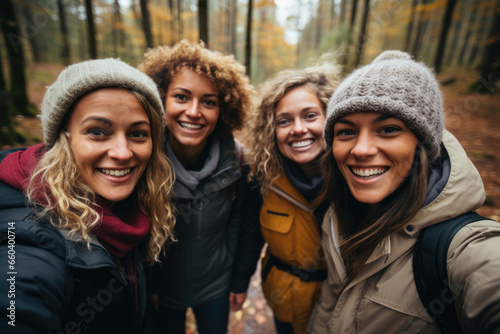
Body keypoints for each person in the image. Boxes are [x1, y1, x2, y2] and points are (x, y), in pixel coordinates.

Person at [308, 50, 500, 333]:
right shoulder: (336, 216)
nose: (361, 150)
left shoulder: (461, 251)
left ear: (422, 145)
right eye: (346, 132)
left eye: (387, 129)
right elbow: (330, 303)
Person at [0, 58, 176, 334]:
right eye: (97, 132)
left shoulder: (135, 203)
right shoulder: (26, 235)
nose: (122, 152)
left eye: (138, 133)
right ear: (64, 138)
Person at [139, 40, 254, 334]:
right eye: (181, 97)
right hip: (162, 293)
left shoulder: (238, 161)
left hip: (216, 288)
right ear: (161, 98)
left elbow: (241, 222)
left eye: (208, 102)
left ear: (223, 109)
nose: (194, 111)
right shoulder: (141, 158)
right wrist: (147, 285)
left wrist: (238, 279)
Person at [229, 63, 340, 334]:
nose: (298, 129)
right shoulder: (261, 179)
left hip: (338, 302)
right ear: (271, 130)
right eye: (284, 121)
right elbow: (250, 235)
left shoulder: (354, 177)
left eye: (310, 116)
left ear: (332, 117)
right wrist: (240, 283)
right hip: (284, 297)